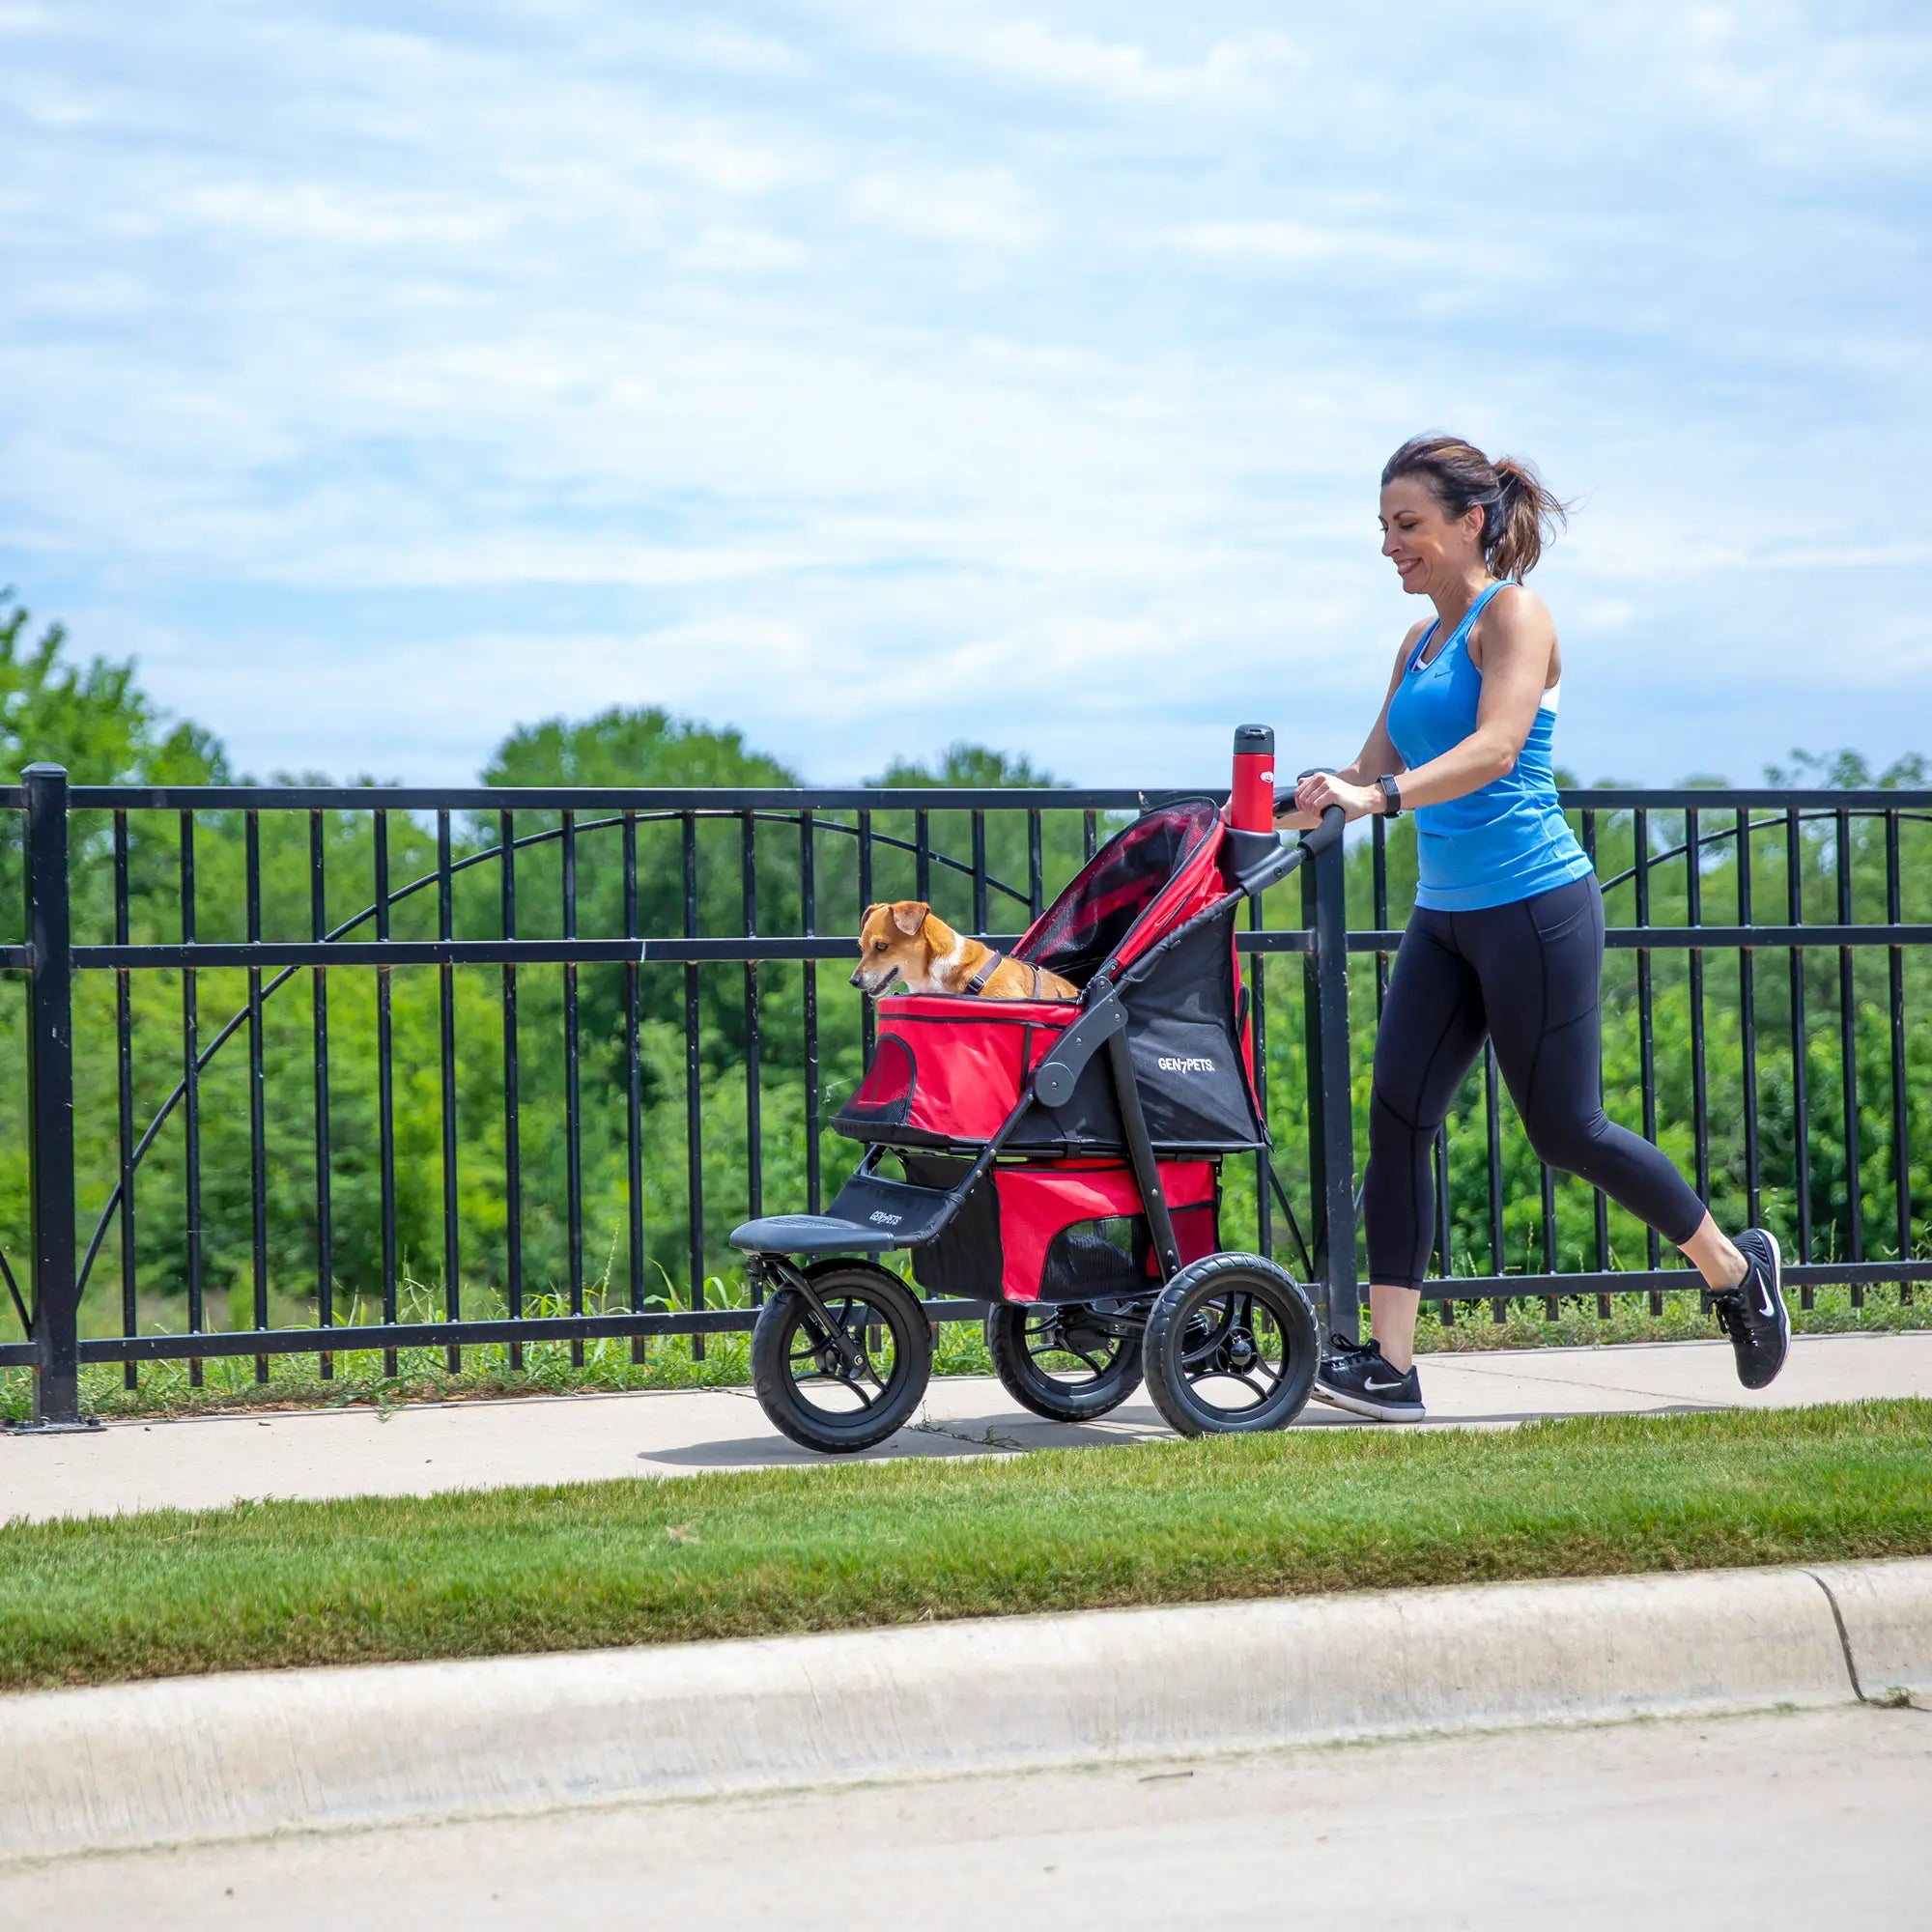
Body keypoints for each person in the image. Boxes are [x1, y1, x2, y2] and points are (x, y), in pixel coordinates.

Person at [1277, 434, 1787, 1421]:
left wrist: (1375, 794)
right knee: (1396, 1120)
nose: (1388, 544)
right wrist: (1273, 808)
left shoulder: (1510, 614)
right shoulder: (1416, 644)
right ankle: (1390, 1365)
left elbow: (1495, 746)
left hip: (1533, 906)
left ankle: (1732, 1269)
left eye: (1405, 524)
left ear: (1470, 520)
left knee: (1564, 1129)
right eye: (1382, 527)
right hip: (1445, 915)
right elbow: (1359, 773)